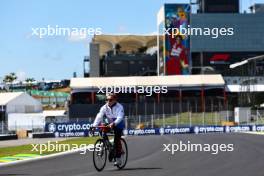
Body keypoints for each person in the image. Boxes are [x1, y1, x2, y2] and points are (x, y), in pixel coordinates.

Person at [91, 93, 124, 166]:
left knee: (116, 140)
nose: (108, 101)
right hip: (109, 122)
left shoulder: (119, 107)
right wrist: (94, 126)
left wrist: (114, 124)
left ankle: (118, 158)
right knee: (101, 128)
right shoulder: (104, 107)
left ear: (115, 100)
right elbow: (99, 116)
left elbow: (120, 117)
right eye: (106, 100)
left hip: (118, 124)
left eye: (110, 100)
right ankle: (108, 145)